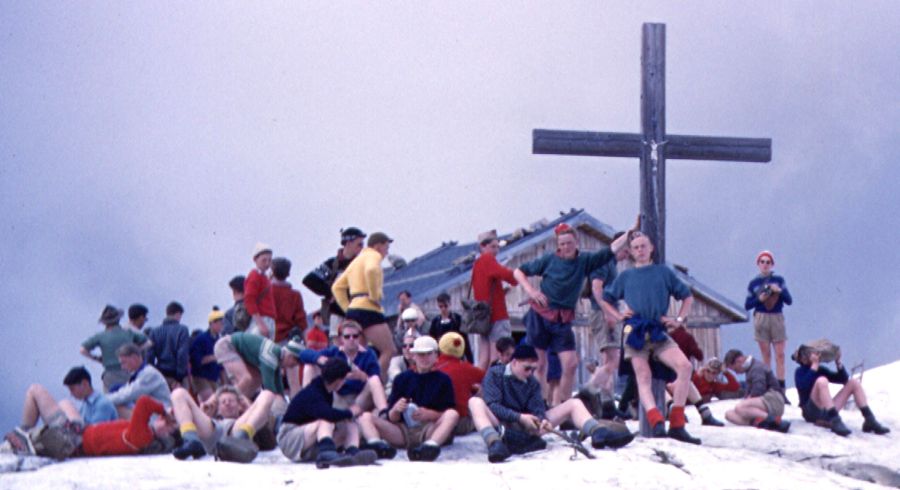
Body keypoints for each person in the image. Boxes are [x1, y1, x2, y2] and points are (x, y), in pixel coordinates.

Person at [600, 232, 699, 444]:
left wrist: (679, 319)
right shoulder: (625, 276)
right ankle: (656, 421)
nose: (640, 250)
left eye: (643, 246)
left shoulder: (663, 272)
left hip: (657, 329)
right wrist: (618, 315)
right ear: (631, 252)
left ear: (651, 248)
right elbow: (605, 298)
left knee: (684, 366)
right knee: (642, 375)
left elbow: (687, 296)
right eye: (635, 247)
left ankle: (677, 423)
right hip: (634, 330)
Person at [468, 345, 633, 463]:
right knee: (475, 402)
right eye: (527, 368)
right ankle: (494, 444)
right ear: (515, 362)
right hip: (501, 425)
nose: (530, 373)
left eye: (533, 369)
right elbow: (493, 405)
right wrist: (519, 417)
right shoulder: (495, 374)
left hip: (527, 426)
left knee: (574, 403)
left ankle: (598, 432)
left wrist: (541, 420)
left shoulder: (531, 382)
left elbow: (538, 407)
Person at [514, 223, 617, 406]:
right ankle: (540, 406)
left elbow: (610, 250)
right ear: (558, 245)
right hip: (540, 314)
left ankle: (565, 406)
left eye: (569, 243)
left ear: (576, 242)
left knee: (570, 364)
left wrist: (631, 232)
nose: (565, 247)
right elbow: (518, 271)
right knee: (539, 365)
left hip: (563, 318)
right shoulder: (548, 260)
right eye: (562, 244)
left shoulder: (584, 261)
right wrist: (531, 291)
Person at [356, 336, 458, 462]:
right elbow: (391, 417)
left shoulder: (444, 380)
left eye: (428, 354)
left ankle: (431, 446)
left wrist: (430, 414)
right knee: (365, 417)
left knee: (452, 414)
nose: (424, 358)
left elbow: (450, 413)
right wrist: (396, 409)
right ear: (413, 356)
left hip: (429, 428)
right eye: (420, 354)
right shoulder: (402, 379)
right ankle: (377, 446)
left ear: (436, 355)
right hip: (402, 430)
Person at [581, 223, 638, 419]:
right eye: (628, 249)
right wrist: (608, 312)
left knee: (609, 360)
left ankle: (607, 406)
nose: (628, 254)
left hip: (607, 312)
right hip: (602, 313)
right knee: (613, 361)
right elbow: (597, 289)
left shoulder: (612, 265)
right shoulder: (604, 262)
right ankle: (587, 393)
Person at [277, 358, 377, 468]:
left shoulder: (326, 390)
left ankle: (352, 451)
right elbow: (328, 414)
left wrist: (349, 415)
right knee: (326, 421)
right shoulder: (313, 392)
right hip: (289, 438)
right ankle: (326, 453)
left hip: (308, 441)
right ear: (338, 381)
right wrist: (350, 412)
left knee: (349, 421)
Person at [4, 367, 117, 455]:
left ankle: (25, 435)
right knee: (64, 403)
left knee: (35, 390)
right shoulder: (87, 404)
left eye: (72, 389)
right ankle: (26, 435)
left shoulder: (103, 404)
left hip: (76, 440)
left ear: (85, 384)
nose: (71, 393)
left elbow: (96, 434)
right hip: (75, 437)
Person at [332, 231, 397, 378]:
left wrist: (347, 308)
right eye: (387, 247)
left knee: (359, 353)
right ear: (378, 246)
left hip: (353, 309)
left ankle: (357, 386)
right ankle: (373, 384)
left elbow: (337, 287)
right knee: (389, 350)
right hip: (369, 308)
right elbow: (372, 270)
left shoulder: (357, 260)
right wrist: (374, 296)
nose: (387, 251)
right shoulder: (373, 256)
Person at [793, 345, 889, 436]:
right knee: (821, 381)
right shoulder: (799, 371)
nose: (807, 356)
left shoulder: (820, 369)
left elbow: (843, 379)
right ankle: (835, 421)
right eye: (804, 355)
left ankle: (869, 419)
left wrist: (838, 362)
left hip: (826, 411)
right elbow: (803, 385)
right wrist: (814, 366)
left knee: (853, 383)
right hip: (810, 411)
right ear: (801, 359)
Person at [170, 385, 279, 462]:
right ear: (218, 407)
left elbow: (269, 441)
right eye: (223, 402)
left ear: (239, 405)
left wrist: (248, 407)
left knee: (267, 394)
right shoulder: (213, 420)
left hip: (236, 430)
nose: (227, 404)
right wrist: (203, 412)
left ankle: (241, 437)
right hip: (213, 430)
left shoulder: (248, 417)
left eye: (231, 401)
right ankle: (191, 439)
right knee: (178, 393)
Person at [298, 320, 388, 414]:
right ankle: (307, 406)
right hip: (338, 397)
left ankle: (384, 412)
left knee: (374, 379)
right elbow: (303, 354)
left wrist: (361, 376)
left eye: (355, 336)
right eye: (347, 336)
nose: (351, 339)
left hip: (360, 398)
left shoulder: (368, 354)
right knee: (309, 366)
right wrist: (320, 359)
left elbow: (377, 380)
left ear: (359, 337)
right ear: (341, 339)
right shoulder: (334, 352)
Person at [303, 227, 366, 341]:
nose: (362, 247)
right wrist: (330, 293)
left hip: (357, 314)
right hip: (337, 315)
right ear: (348, 243)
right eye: (359, 244)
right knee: (338, 350)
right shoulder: (333, 264)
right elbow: (309, 280)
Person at [745, 250, 792, 395]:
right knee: (766, 355)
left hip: (776, 317)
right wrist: (760, 299)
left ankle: (781, 389)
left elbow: (789, 300)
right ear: (758, 264)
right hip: (761, 318)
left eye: (768, 262)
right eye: (762, 262)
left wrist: (779, 291)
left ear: (772, 264)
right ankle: (769, 388)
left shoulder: (779, 280)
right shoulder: (753, 283)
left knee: (780, 355)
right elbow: (747, 304)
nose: (765, 265)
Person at [471, 229, 518, 370]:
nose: (496, 250)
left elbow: (483, 291)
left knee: (483, 358)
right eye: (492, 246)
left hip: (483, 317)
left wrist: (501, 292)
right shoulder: (488, 260)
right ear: (482, 247)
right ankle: (494, 388)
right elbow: (505, 274)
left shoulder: (477, 264)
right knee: (497, 356)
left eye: (497, 247)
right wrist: (520, 275)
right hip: (497, 315)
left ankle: (480, 389)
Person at [213, 331, 302, 402]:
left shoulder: (276, 358)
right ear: (290, 356)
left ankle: (242, 403)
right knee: (246, 378)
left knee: (257, 378)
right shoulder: (271, 357)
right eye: (296, 361)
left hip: (237, 349)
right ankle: (219, 402)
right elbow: (269, 389)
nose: (294, 365)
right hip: (226, 346)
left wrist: (282, 401)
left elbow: (279, 387)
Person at [80, 305, 150, 392]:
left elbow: (83, 350)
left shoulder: (101, 336)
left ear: (105, 322)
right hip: (127, 372)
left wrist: (96, 358)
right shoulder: (128, 333)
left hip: (110, 374)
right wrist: (134, 350)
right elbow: (148, 343)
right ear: (118, 319)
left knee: (111, 400)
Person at [723, 349, 790, 432]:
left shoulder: (756, 367)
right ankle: (761, 422)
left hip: (773, 399)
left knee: (740, 407)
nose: (736, 373)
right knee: (729, 414)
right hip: (762, 404)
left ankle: (774, 420)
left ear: (739, 361)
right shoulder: (749, 370)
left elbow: (759, 390)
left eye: (735, 369)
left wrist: (747, 401)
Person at [434, 332, 484, 435]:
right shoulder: (467, 368)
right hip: (460, 423)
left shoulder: (430, 366)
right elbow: (488, 379)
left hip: (433, 422)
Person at [107, 343, 172, 418]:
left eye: (124, 363)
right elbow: (125, 392)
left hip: (158, 417)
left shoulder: (149, 374)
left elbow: (127, 395)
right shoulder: (138, 374)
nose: (122, 367)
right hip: (150, 414)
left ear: (134, 358)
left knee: (114, 406)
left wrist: (102, 399)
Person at [146, 301, 191, 389]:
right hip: (177, 373)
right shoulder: (182, 330)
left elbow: (149, 355)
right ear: (178, 314)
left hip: (161, 373)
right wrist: (180, 376)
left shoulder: (154, 332)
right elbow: (182, 353)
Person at [190, 307, 226, 401]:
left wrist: (224, 383)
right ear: (212, 323)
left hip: (214, 376)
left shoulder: (219, 339)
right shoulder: (200, 339)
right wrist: (213, 357)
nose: (222, 326)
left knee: (218, 402)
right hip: (201, 376)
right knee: (209, 401)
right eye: (220, 323)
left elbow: (221, 365)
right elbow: (196, 361)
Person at [271, 256, 308, 344]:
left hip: (266, 337)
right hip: (287, 339)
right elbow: (301, 321)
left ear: (272, 272)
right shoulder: (295, 295)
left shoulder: (265, 292)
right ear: (288, 274)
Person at [245, 242, 278, 339]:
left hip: (267, 319)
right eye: (264, 260)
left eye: (269, 260)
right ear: (255, 259)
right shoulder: (254, 276)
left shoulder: (263, 276)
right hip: (262, 319)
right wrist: (261, 324)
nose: (267, 263)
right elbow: (249, 299)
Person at [429, 293, 472, 362]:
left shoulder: (458, 319)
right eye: (441, 306)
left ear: (450, 304)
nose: (443, 309)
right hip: (441, 356)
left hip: (456, 355)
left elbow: (465, 340)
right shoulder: (435, 321)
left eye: (445, 306)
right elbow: (432, 340)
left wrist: (470, 361)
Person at [386, 329, 419, 396]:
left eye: (411, 346)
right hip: (395, 394)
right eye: (404, 346)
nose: (407, 348)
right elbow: (397, 377)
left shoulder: (422, 361)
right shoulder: (395, 361)